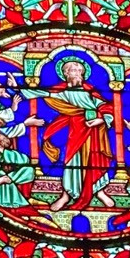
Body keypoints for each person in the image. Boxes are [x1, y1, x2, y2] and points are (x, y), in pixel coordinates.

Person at [39, 54, 114, 208]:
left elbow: (106, 107)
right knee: (72, 161)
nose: (77, 73)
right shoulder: (61, 91)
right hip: (75, 130)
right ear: (65, 74)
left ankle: (99, 190)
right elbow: (43, 95)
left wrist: (102, 119)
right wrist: (15, 89)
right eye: (73, 70)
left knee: (96, 159)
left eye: (79, 70)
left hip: (94, 130)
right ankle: (66, 195)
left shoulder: (90, 90)